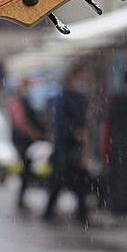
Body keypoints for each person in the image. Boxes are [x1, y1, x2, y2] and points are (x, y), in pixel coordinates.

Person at [43, 67, 93, 224]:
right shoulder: (63, 98)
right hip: (65, 146)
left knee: (78, 180)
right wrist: (75, 132)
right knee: (62, 179)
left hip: (74, 146)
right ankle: (54, 211)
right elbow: (59, 123)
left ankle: (80, 212)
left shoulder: (80, 98)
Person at [6, 78, 45, 210]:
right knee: (26, 169)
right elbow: (21, 122)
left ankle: (22, 198)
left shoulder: (24, 101)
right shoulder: (18, 101)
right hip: (23, 140)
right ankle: (21, 198)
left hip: (25, 139)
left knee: (27, 168)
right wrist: (33, 132)